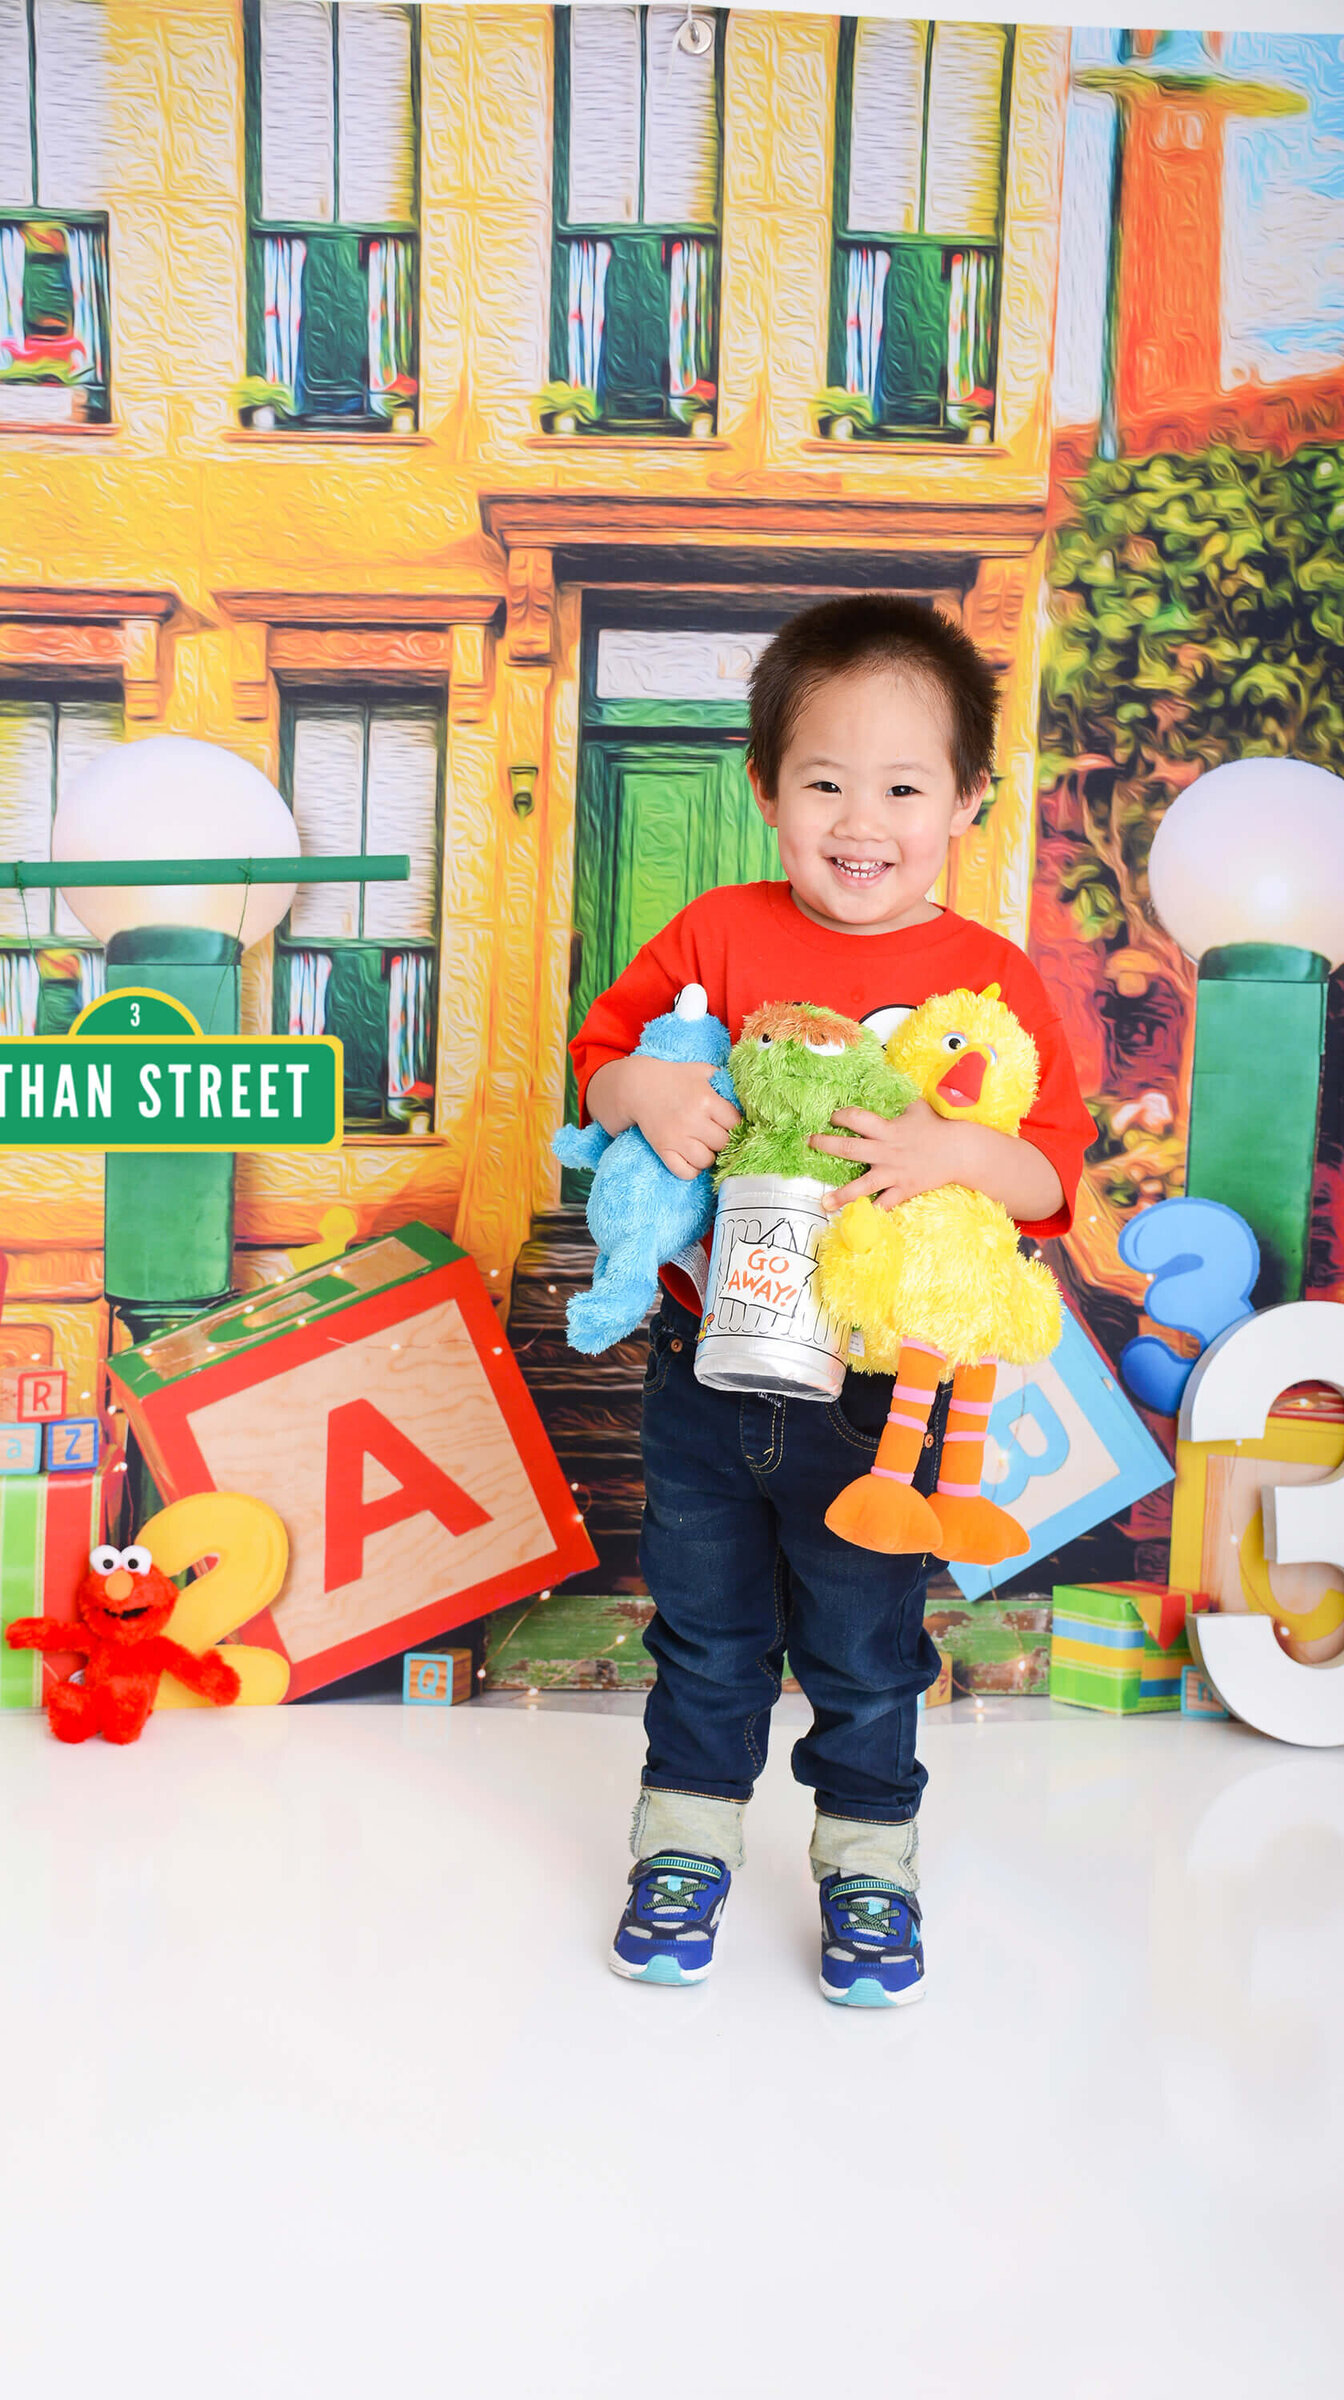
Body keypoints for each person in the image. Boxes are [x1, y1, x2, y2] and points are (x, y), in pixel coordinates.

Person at [570, 595, 1095, 2006]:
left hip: (880, 1399)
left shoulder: (985, 979)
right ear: (765, 790)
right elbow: (602, 1061)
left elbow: (1050, 1179)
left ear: (968, 801)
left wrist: (951, 1152)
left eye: (904, 788)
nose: (861, 822)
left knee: (868, 1646)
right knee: (703, 1630)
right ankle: (682, 1843)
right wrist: (649, 1089)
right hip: (704, 1368)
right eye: (823, 784)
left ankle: (870, 1860)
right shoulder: (718, 934)